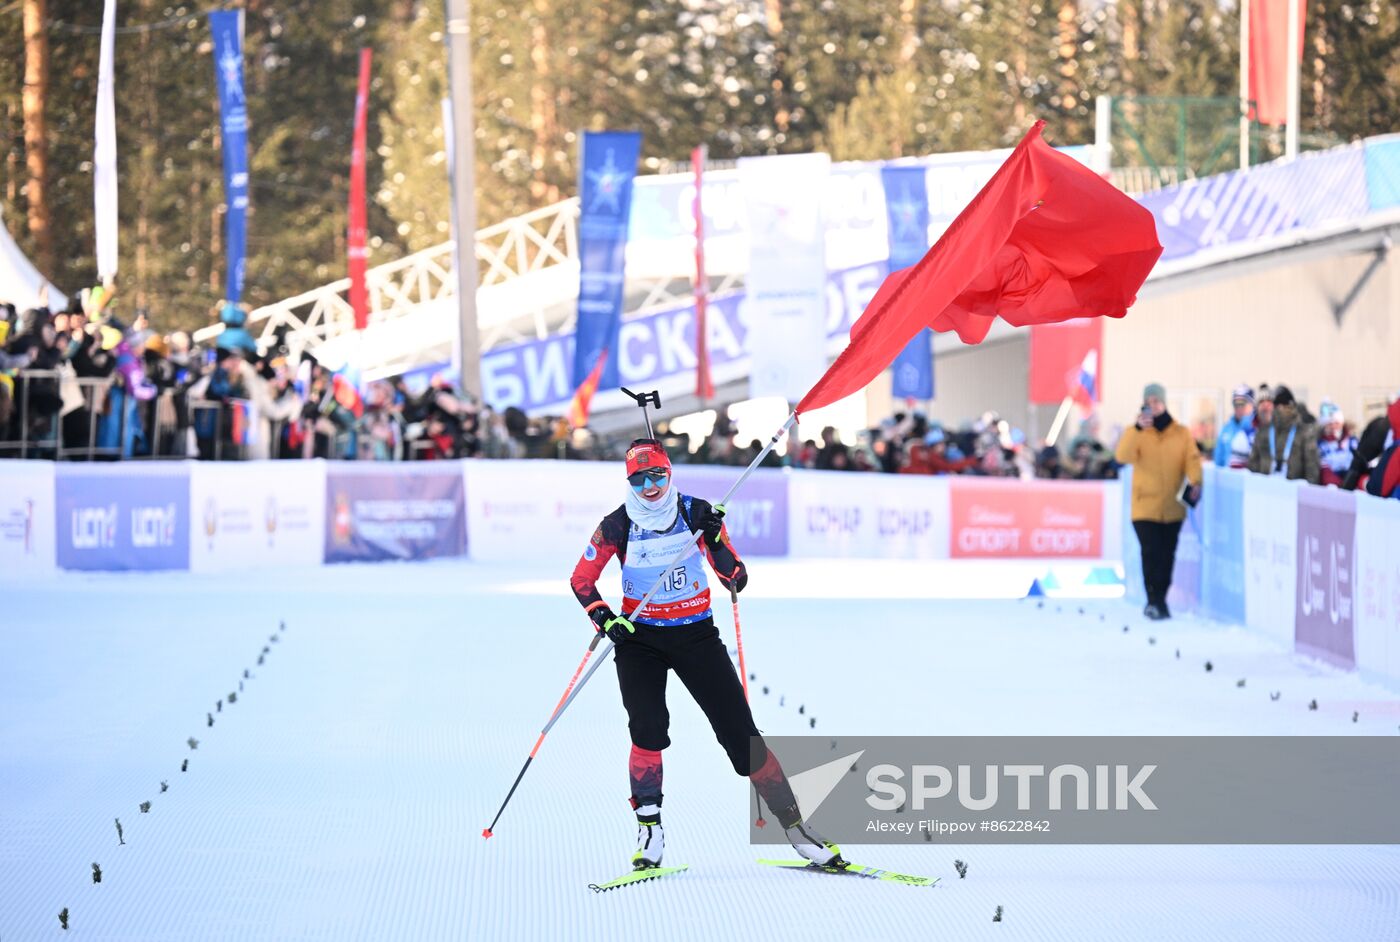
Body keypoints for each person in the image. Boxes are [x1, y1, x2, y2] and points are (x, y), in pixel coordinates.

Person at [569, 438, 842, 872]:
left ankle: (795, 827)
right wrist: (605, 620)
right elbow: (582, 580)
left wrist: (715, 539)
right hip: (639, 640)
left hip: (696, 636)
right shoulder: (617, 525)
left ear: (669, 472)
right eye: (638, 478)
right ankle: (649, 829)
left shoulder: (696, 513)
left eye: (656, 474)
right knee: (648, 728)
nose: (649, 485)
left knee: (741, 736)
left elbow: (734, 577)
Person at [1115, 382, 1203, 620]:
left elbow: (1192, 460)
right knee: (1150, 552)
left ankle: (1160, 599)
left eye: (1156, 401)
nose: (1152, 406)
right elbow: (1122, 455)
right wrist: (1136, 429)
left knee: (1166, 556)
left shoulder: (1181, 433)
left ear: (1164, 403)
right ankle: (1152, 599)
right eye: (1148, 402)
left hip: (1172, 507)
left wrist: (1196, 481)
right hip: (1144, 506)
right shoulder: (1137, 432)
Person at [1247, 385, 1320, 483]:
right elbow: (1253, 464)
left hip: (1294, 490)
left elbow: (1311, 467)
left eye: (1286, 405)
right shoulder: (1263, 431)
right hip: (1265, 488)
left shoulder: (1303, 432)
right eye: (1278, 405)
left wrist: (1309, 492)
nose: (1282, 409)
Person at [1213, 384, 1257, 469]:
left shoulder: (1257, 428)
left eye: (1242, 403)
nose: (1238, 407)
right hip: (1230, 479)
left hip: (1249, 479)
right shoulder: (1226, 429)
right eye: (1235, 404)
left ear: (1252, 405)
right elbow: (1218, 460)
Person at [1316, 400, 1358, 488]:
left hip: (1353, 483)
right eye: (1330, 424)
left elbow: (1361, 463)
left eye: (1336, 423)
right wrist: (1340, 485)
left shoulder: (1353, 442)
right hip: (1333, 487)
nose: (1333, 427)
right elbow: (1324, 470)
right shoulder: (1321, 445)